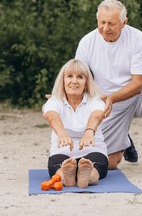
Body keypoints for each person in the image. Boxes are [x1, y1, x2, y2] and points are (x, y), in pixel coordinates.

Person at [75, 0, 142, 175]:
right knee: (109, 164)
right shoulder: (87, 42)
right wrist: (63, 94)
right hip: (107, 103)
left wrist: (111, 98)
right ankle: (125, 140)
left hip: (136, 95)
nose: (105, 28)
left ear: (124, 22)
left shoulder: (137, 39)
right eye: (102, 23)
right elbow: (78, 76)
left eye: (111, 23)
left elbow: (138, 84)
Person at [42, 59, 108, 188]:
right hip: (63, 152)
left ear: (87, 83)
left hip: (92, 150)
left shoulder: (95, 100)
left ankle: (86, 176)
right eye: (69, 76)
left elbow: (97, 115)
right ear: (63, 81)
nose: (74, 81)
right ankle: (68, 176)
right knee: (58, 166)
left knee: (95, 166)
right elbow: (52, 116)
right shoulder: (55, 101)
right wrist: (61, 133)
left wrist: (89, 132)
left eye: (80, 77)